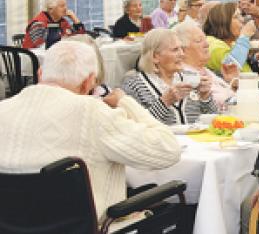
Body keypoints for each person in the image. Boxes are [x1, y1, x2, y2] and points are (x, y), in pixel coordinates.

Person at [0, 41, 181, 222]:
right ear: (88, 82)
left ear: (40, 73)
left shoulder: (3, 109)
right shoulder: (92, 113)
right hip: (90, 227)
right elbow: (168, 149)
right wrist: (126, 102)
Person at [121, 28, 217, 125]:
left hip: (196, 139)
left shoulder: (192, 78)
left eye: (181, 49)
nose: (182, 54)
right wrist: (164, 102)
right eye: (175, 50)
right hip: (161, 140)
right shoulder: (134, 86)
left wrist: (205, 98)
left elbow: (214, 119)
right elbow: (136, 126)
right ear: (155, 57)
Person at [174, 20, 237, 107]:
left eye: (205, 39)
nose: (207, 44)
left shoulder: (205, 71)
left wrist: (232, 83)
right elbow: (209, 105)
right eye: (199, 41)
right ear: (182, 49)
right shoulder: (185, 77)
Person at [202, 2, 255, 74]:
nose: (242, 19)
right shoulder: (213, 45)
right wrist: (245, 36)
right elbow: (232, 66)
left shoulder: (229, 43)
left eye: (241, 15)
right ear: (222, 21)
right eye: (236, 17)